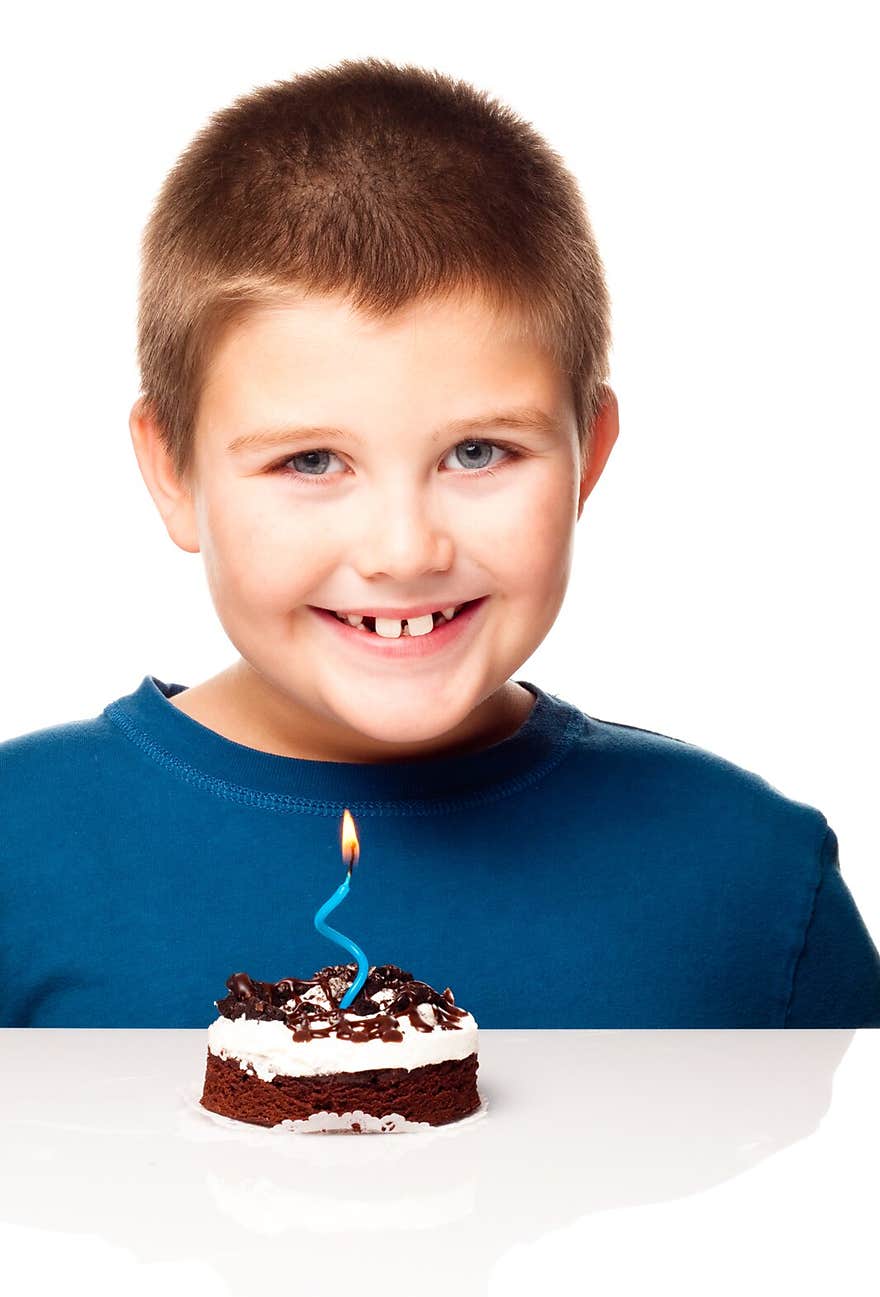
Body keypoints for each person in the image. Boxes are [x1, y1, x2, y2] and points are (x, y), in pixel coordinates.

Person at [2, 58, 878, 1028]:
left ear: (588, 456)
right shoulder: (18, 851)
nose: (402, 548)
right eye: (309, 461)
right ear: (173, 474)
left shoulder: (750, 878)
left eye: (476, 451)